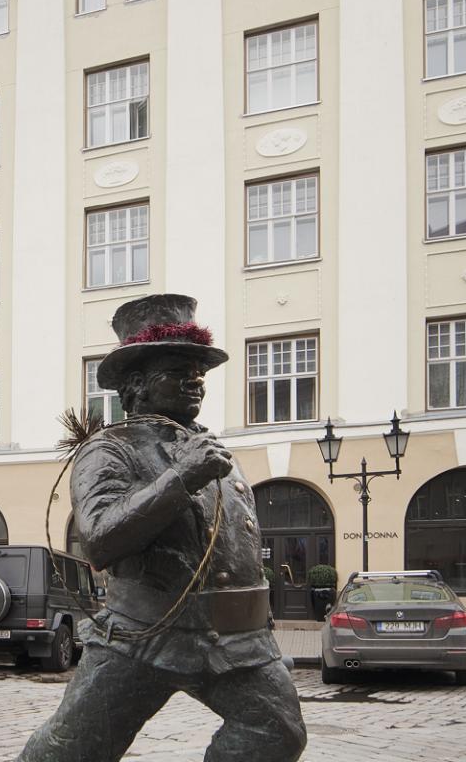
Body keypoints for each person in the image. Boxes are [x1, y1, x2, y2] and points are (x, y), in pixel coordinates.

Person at [18, 294, 306, 762]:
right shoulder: (110, 450)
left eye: (199, 374)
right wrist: (181, 478)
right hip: (143, 637)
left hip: (235, 642)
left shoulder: (209, 448)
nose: (195, 382)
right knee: (70, 752)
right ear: (136, 387)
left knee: (278, 732)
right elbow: (100, 540)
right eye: (178, 372)